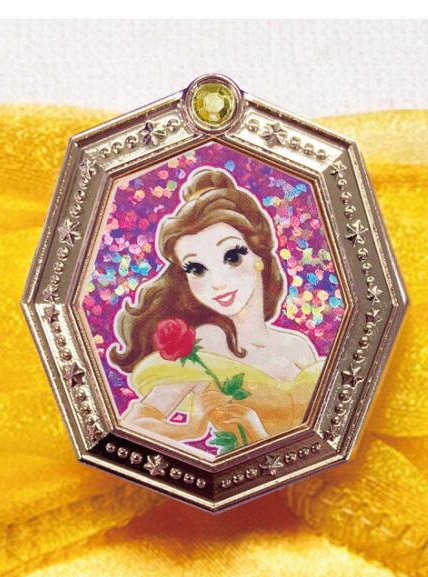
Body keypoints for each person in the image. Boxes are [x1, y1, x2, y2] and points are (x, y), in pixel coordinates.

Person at [110, 167, 324, 456]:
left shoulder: (297, 346)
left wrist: (255, 431)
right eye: (197, 269)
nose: (218, 283)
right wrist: (189, 430)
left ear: (259, 256)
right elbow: (134, 425)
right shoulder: (206, 342)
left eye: (232, 257)